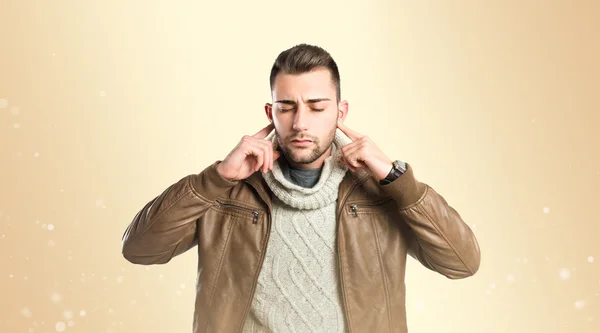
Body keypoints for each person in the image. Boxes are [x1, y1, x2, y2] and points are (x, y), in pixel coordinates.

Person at [121, 43, 481, 333]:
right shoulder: (227, 191)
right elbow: (140, 249)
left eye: (316, 106)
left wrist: (396, 180)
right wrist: (215, 179)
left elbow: (462, 262)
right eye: (287, 107)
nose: (300, 122)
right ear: (270, 112)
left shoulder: (381, 192)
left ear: (340, 112)